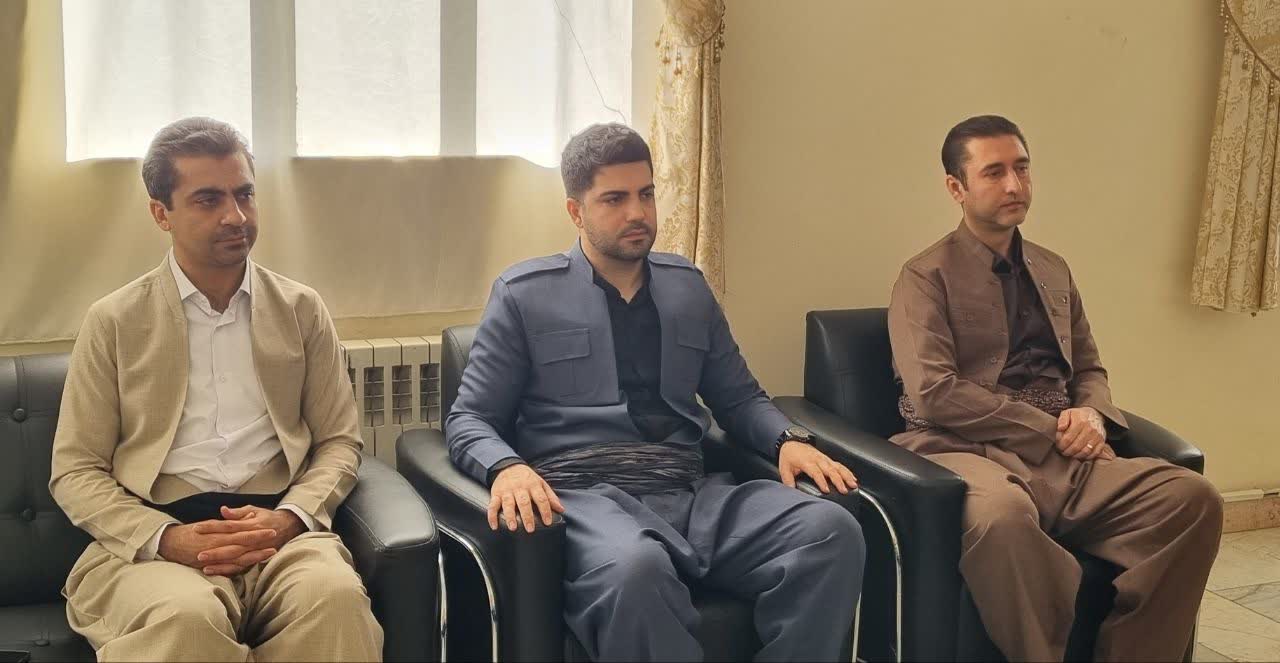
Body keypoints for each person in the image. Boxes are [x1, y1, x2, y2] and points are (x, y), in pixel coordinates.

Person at [447, 123, 865, 662]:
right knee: (636, 570)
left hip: (691, 493)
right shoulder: (524, 294)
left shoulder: (687, 286)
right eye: (614, 199)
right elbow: (469, 419)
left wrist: (787, 439)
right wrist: (507, 468)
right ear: (576, 211)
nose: (637, 213)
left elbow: (738, 398)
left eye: (646, 194)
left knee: (830, 531)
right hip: (586, 500)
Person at [888, 114, 1223, 661]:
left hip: (1065, 457)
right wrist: (1049, 429)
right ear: (956, 187)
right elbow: (933, 392)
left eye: (1021, 168)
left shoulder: (1053, 268)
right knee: (1003, 518)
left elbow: (1089, 369)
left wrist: (1091, 415)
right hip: (959, 449)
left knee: (1191, 498)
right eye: (994, 172)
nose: (1014, 185)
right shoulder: (924, 277)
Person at [50, 117, 382, 662]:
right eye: (208, 200)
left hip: (280, 533)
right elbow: (76, 470)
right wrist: (165, 537)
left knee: (335, 600)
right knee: (186, 618)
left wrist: (291, 518)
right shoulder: (114, 321)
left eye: (244, 194)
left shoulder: (301, 309)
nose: (236, 216)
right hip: (156, 542)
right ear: (161, 213)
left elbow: (339, 443)